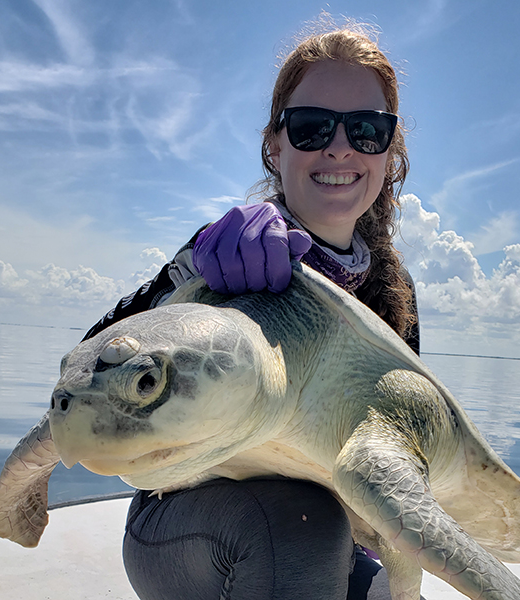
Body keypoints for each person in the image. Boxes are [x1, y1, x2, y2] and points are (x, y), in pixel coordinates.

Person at [83, 19, 422, 600]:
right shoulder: (220, 254)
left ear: (390, 152)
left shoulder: (394, 294)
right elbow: (90, 369)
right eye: (312, 127)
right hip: (184, 525)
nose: (339, 146)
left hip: (336, 543)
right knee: (296, 528)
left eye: (366, 130)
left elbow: (404, 450)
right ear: (276, 143)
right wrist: (188, 271)